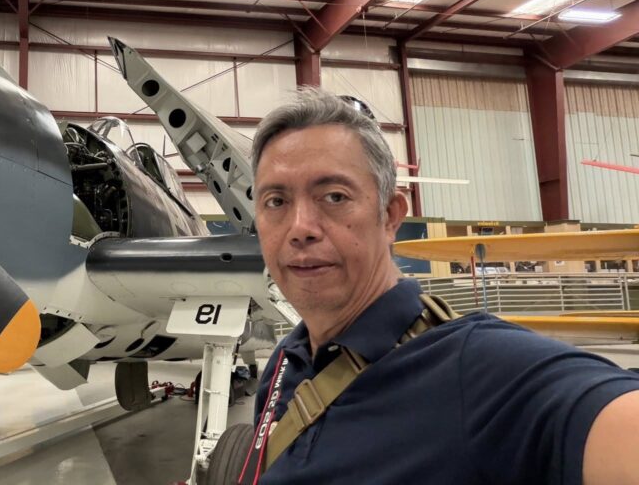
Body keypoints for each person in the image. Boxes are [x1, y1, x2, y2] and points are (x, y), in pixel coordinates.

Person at [243, 89, 639, 484]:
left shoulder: (477, 368)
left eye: (334, 196)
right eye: (276, 201)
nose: (300, 228)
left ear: (390, 216)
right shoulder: (286, 362)